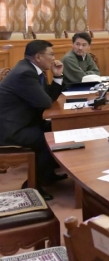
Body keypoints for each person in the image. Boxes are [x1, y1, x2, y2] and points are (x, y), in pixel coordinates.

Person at [0, 41, 67, 199]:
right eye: (51, 54)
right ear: (38, 57)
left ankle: (47, 175)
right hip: (11, 130)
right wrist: (48, 96)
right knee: (47, 139)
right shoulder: (25, 73)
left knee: (57, 129)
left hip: (24, 122)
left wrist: (57, 76)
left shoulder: (32, 69)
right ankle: (32, 185)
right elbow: (45, 102)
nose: (54, 58)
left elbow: (48, 98)